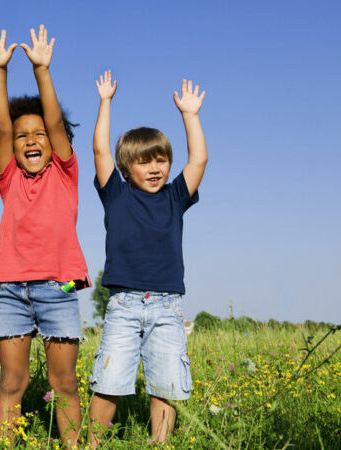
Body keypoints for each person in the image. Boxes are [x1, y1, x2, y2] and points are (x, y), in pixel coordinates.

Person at [0, 25, 90, 447]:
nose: (30, 139)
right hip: (10, 290)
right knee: (12, 382)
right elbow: (1, 131)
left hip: (58, 288)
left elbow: (56, 122)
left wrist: (42, 69)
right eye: (23, 134)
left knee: (64, 382)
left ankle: (75, 445)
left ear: (55, 142)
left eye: (39, 133)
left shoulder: (64, 173)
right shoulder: (8, 177)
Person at [87, 70, 207, 445]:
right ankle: (92, 442)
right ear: (126, 168)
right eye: (144, 162)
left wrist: (190, 115)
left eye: (161, 160)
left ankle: (160, 443)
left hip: (168, 306)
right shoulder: (116, 195)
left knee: (166, 382)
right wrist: (105, 103)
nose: (155, 168)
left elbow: (199, 160)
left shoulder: (175, 197)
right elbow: (100, 151)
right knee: (109, 380)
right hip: (123, 304)